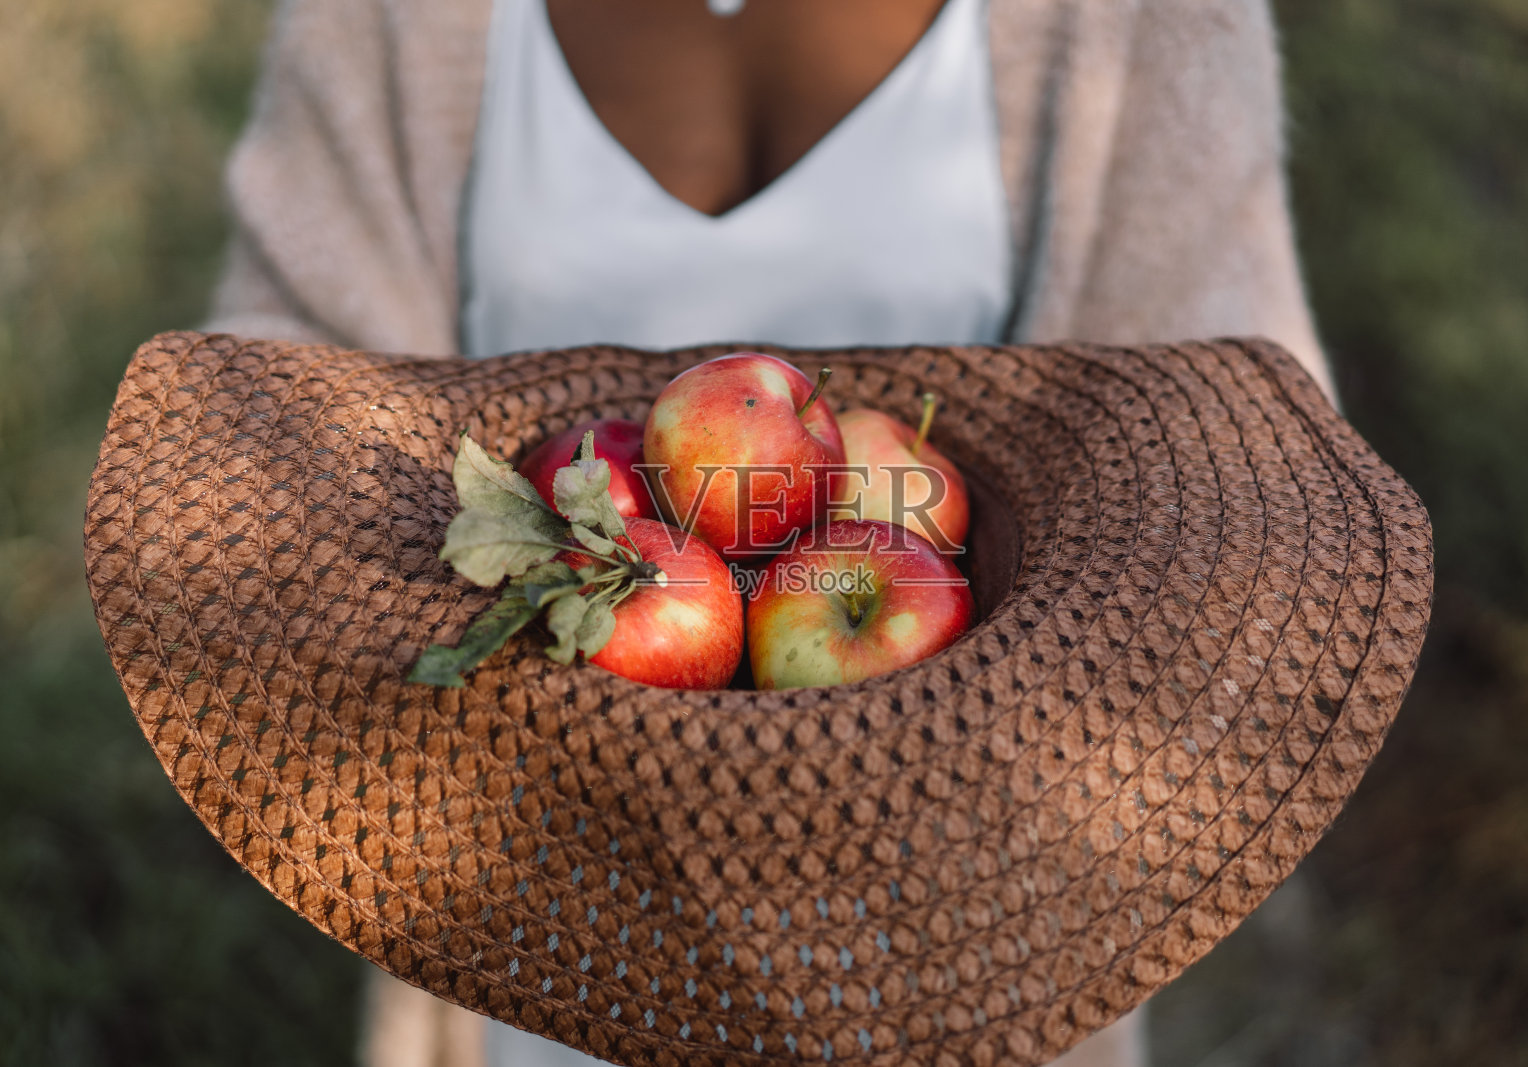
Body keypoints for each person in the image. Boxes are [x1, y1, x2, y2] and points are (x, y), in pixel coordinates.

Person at [205, 1, 1333, 1063]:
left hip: (960, 923)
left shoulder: (1140, 22)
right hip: (543, 889)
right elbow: (284, 386)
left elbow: (1223, 458)